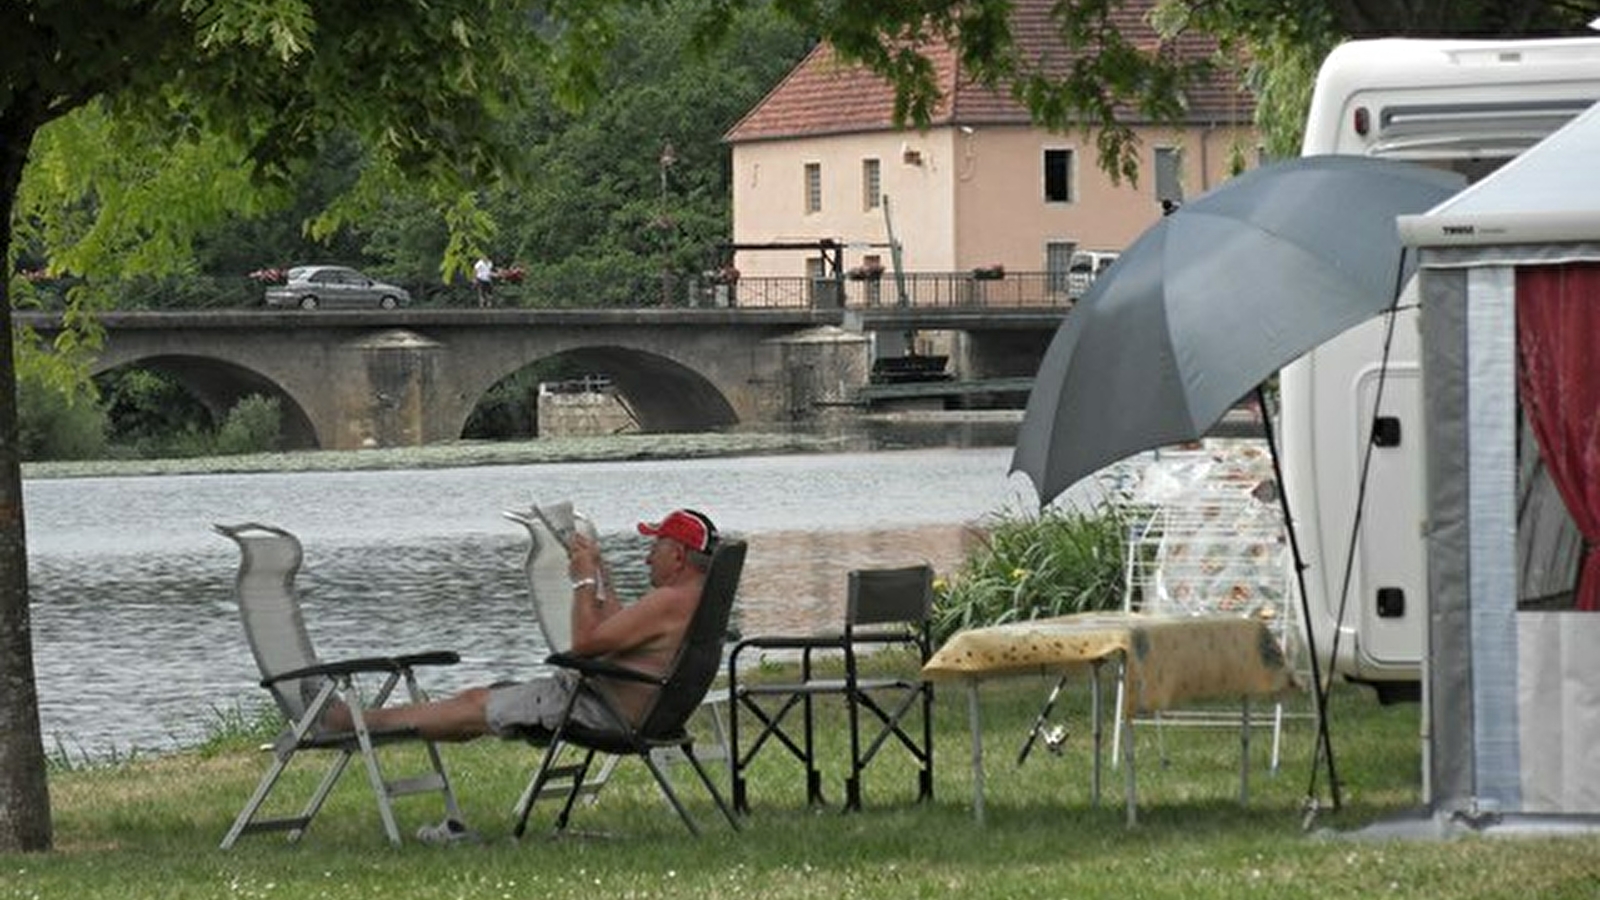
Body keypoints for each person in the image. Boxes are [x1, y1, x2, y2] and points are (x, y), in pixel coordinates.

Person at [325, 508, 719, 741]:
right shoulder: (696, 597)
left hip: (601, 712)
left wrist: (583, 581)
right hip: (640, 710)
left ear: (678, 555)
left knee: (474, 705)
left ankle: (351, 724)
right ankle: (366, 726)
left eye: (655, 547)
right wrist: (602, 576)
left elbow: (583, 645)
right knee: (477, 708)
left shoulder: (669, 600)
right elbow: (616, 631)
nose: (647, 558)